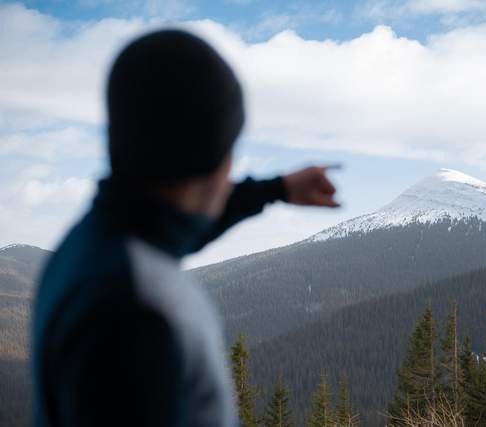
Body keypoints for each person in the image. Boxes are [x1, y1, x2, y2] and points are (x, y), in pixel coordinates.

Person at [32, 29, 339, 427]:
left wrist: (277, 189)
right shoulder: (141, 313)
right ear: (217, 159)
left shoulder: (99, 241)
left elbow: (176, 226)